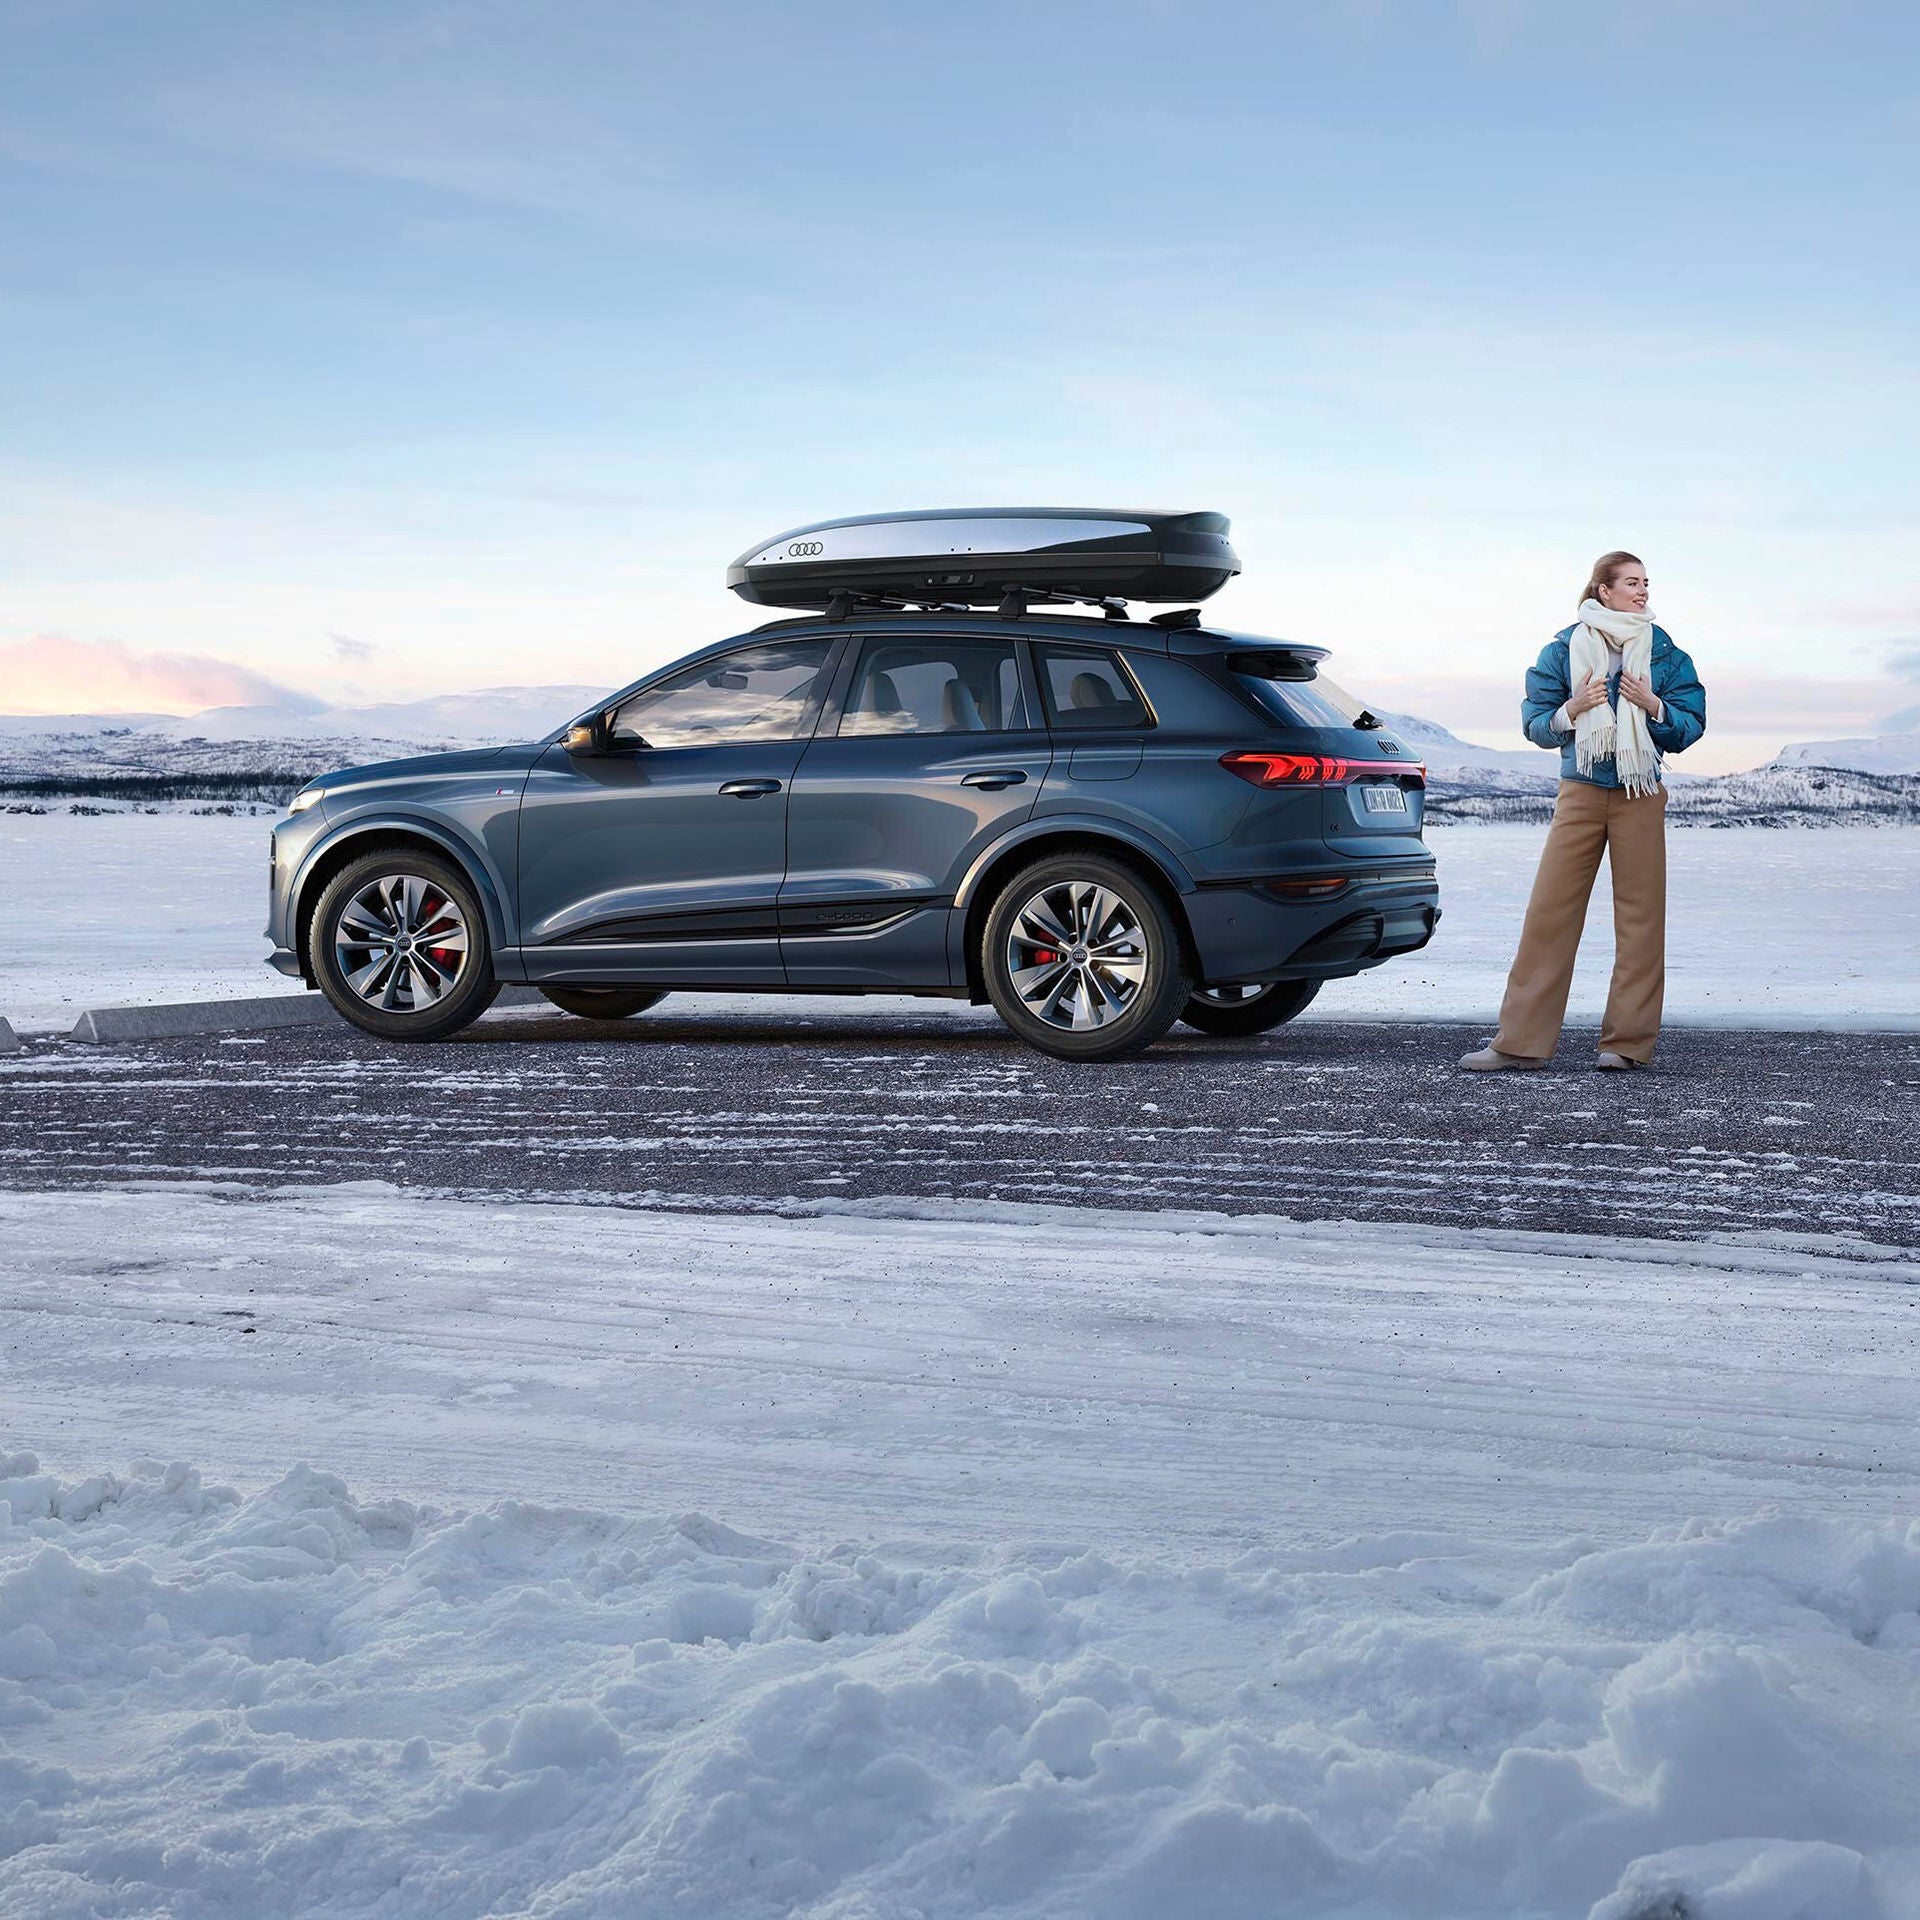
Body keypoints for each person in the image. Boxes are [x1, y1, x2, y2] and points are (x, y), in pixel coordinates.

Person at [1460, 551, 1706, 1072]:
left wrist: (1653, 705)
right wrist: (1572, 709)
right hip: (1581, 791)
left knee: (1641, 920)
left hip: (1640, 791)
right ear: (1603, 591)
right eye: (1632, 583)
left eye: (1646, 583)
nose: (1643, 592)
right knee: (1549, 915)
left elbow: (1690, 725)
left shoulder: (1664, 654)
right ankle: (1519, 1043)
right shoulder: (1562, 648)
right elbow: (1535, 722)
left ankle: (1627, 1045)